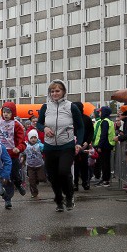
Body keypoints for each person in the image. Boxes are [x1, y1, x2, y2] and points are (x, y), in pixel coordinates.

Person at [36, 80, 84, 212]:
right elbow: (39, 124)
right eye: (52, 91)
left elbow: (80, 127)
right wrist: (44, 128)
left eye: (57, 91)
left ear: (63, 92)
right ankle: (58, 199)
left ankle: (69, 196)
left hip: (66, 146)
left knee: (63, 171)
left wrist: (78, 143)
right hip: (50, 146)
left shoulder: (71, 106)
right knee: (52, 175)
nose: (55, 93)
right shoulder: (45, 107)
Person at [0, 101, 27, 207]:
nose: (6, 114)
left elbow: (22, 142)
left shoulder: (16, 125)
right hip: (1, 155)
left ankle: (19, 184)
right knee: (6, 178)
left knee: (14, 174)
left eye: (8, 112)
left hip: (13, 155)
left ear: (13, 113)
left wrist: (18, 148)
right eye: (4, 112)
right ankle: (7, 199)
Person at [72, 102, 94, 191]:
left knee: (84, 164)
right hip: (73, 145)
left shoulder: (87, 118)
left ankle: (85, 182)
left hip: (84, 145)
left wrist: (87, 142)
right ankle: (75, 183)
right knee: (75, 165)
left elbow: (91, 132)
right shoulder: (71, 119)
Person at [93, 106, 115, 187]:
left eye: (100, 111)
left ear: (104, 112)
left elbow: (103, 134)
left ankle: (106, 180)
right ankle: (105, 179)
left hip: (105, 145)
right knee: (105, 163)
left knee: (105, 163)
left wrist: (100, 146)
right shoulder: (109, 121)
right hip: (108, 144)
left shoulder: (105, 121)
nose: (99, 113)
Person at [22, 129, 45, 198]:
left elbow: (45, 150)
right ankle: (34, 192)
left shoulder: (40, 145)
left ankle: (37, 179)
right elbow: (23, 153)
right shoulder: (26, 146)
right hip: (30, 166)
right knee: (31, 180)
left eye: (35, 137)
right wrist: (22, 158)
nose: (33, 139)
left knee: (41, 178)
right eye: (31, 138)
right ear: (29, 138)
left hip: (39, 165)